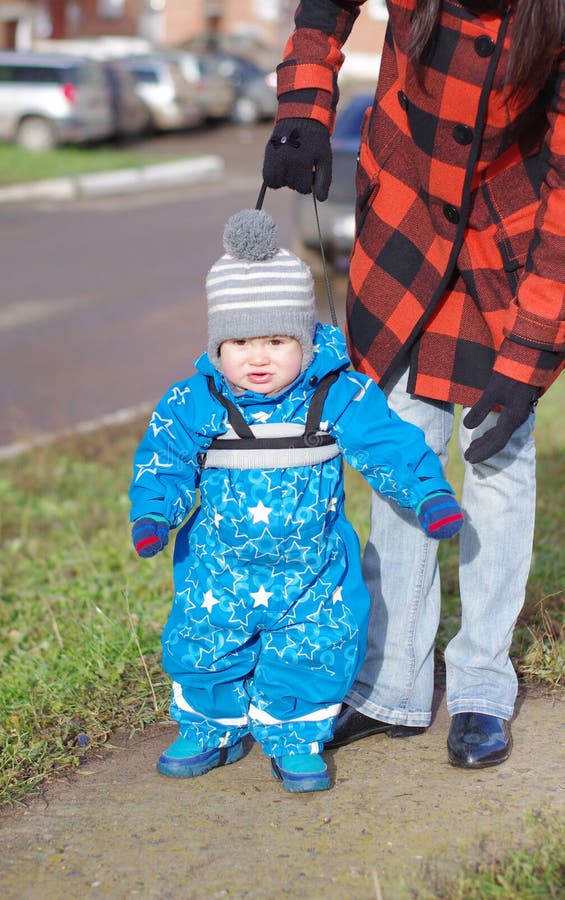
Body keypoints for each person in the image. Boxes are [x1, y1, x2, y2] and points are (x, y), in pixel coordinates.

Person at [262, 0, 564, 768]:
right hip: (407, 226)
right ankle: (390, 683)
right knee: (403, 449)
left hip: (510, 241)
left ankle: (480, 686)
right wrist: (303, 103)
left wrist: (528, 358)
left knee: (497, 462)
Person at [129, 208, 463, 793]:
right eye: (239, 343)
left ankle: (293, 733)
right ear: (216, 344)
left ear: (305, 341)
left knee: (316, 643)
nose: (257, 359)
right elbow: (166, 455)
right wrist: (155, 511)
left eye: (277, 341)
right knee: (204, 639)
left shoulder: (336, 392)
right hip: (218, 568)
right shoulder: (196, 400)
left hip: (312, 570)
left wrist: (427, 493)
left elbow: (387, 444)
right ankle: (212, 725)